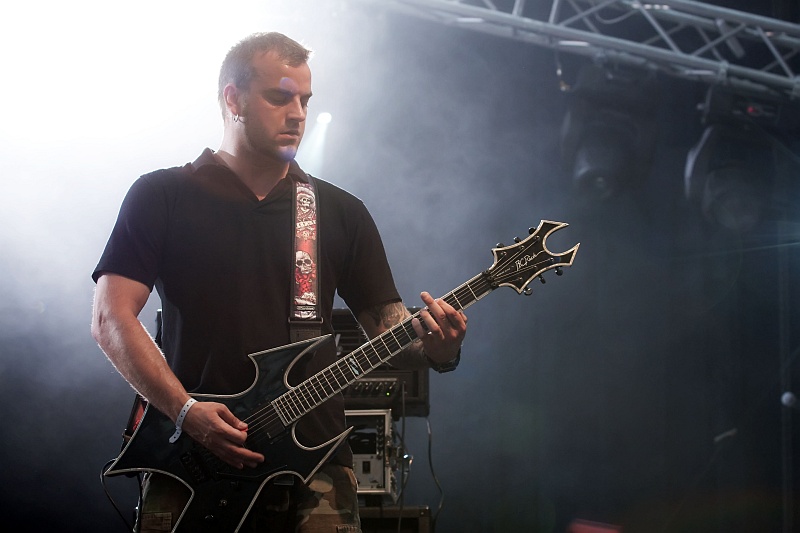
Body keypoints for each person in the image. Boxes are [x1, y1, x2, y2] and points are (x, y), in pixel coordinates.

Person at [91, 32, 467, 532]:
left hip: (315, 467)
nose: (297, 113)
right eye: (279, 97)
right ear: (233, 98)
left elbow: (388, 325)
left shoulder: (339, 212)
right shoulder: (163, 195)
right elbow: (109, 316)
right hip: (191, 460)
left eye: (305, 100)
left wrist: (438, 347)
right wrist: (185, 412)